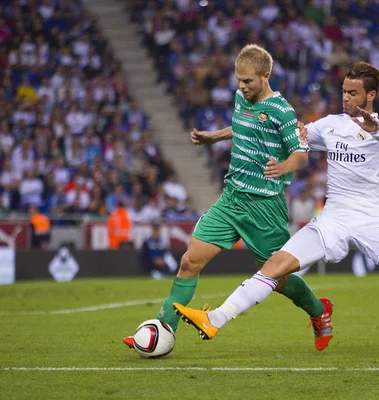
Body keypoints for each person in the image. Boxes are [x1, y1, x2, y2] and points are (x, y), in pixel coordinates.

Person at [173, 62, 379, 359]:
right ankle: (214, 319)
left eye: (353, 92)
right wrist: (231, 140)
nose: (345, 98)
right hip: (333, 217)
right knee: (275, 266)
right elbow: (289, 135)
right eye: (343, 91)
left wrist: (376, 132)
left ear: (370, 96)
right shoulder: (329, 125)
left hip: (373, 219)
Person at [124, 44, 333, 351]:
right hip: (231, 199)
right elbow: (240, 127)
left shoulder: (282, 111)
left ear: (266, 76)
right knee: (189, 261)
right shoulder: (241, 99)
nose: (241, 87)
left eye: (247, 81)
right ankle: (163, 328)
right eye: (238, 80)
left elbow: (301, 156)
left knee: (279, 278)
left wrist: (283, 166)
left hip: (265, 206)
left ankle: (319, 310)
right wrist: (212, 136)